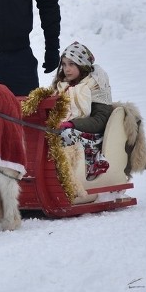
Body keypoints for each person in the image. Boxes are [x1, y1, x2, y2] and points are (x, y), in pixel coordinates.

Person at [51, 41, 113, 200]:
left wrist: (72, 124)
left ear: (82, 64)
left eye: (72, 64)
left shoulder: (96, 85)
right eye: (64, 64)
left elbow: (100, 120)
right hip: (67, 130)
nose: (67, 69)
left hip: (91, 136)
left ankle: (70, 182)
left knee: (65, 134)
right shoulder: (62, 86)